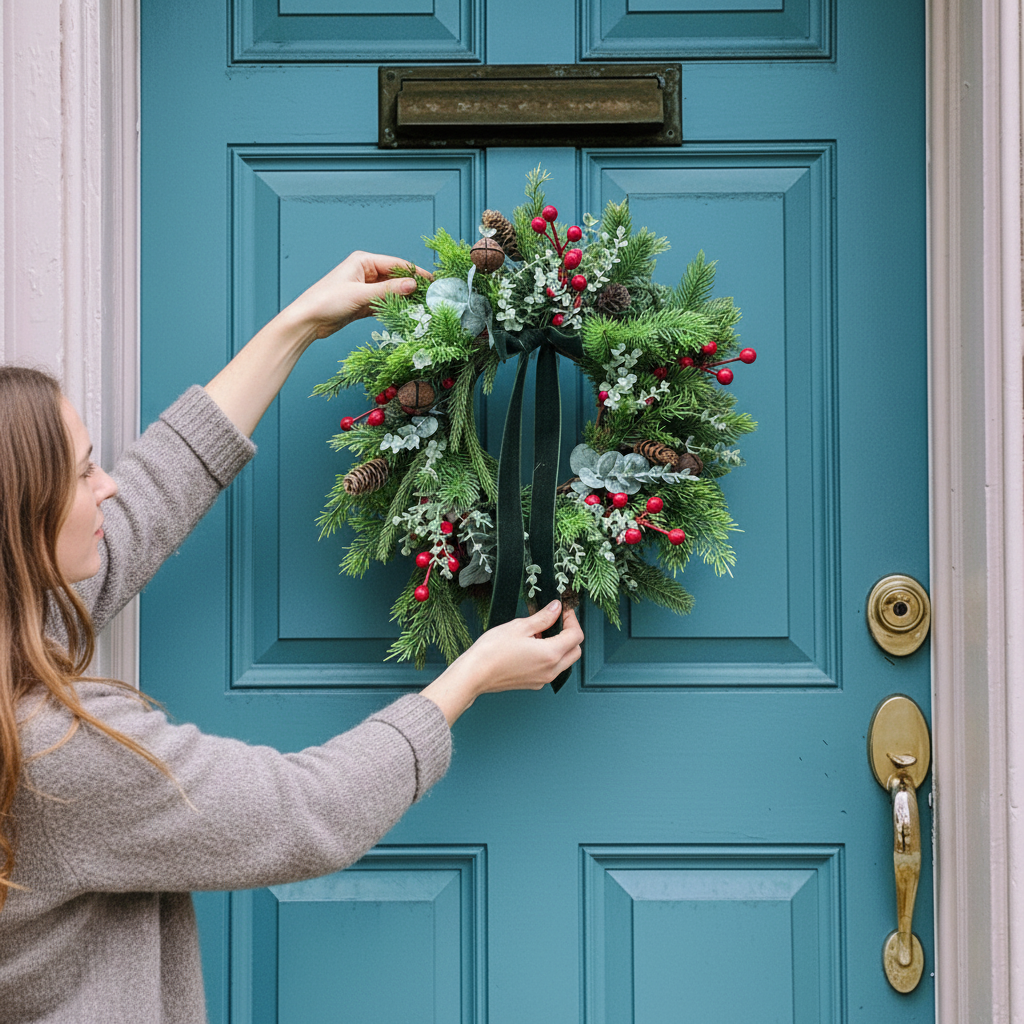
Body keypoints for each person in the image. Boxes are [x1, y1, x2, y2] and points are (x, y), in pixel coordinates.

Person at [0, 251, 584, 1023]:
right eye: (82, 474)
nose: (107, 484)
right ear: (24, 522)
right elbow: (306, 810)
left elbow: (149, 496)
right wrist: (467, 678)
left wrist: (298, 325)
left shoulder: (20, 628)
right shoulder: (51, 755)